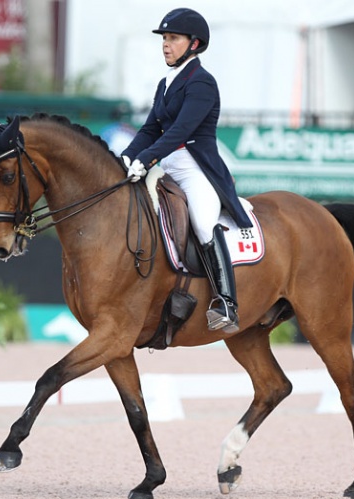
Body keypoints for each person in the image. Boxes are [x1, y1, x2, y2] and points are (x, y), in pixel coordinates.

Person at [121, 8, 252, 334]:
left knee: (204, 222)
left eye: (173, 38)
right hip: (168, 165)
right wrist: (126, 156)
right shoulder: (166, 83)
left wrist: (147, 159)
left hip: (196, 169)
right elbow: (151, 128)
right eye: (164, 38)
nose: (166, 45)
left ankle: (226, 301)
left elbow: (180, 131)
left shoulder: (202, 83)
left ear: (194, 44)